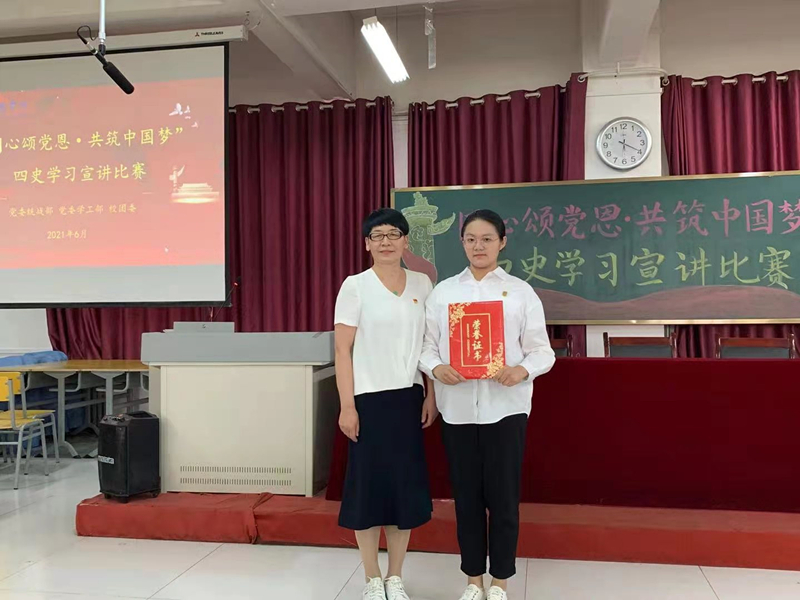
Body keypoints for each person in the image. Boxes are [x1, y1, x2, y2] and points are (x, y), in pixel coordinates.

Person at [419, 209, 555, 600]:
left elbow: (542, 352)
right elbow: (426, 347)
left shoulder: (521, 292)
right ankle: (473, 581)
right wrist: (436, 367)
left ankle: (500, 582)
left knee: (504, 500)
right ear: (461, 243)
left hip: (505, 409)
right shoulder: (444, 293)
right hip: (458, 409)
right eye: (471, 239)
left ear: (502, 242)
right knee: (466, 500)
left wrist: (521, 371)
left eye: (487, 239)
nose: (478, 246)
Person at [334, 208, 439, 600]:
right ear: (367, 244)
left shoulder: (422, 284)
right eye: (377, 236)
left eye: (394, 234)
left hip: (408, 398)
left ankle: (395, 576)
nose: (386, 242)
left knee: (402, 491)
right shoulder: (355, 286)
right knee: (368, 491)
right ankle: (372, 579)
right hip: (367, 401)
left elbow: (429, 345)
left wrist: (430, 394)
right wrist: (347, 406)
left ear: (406, 241)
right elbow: (342, 351)